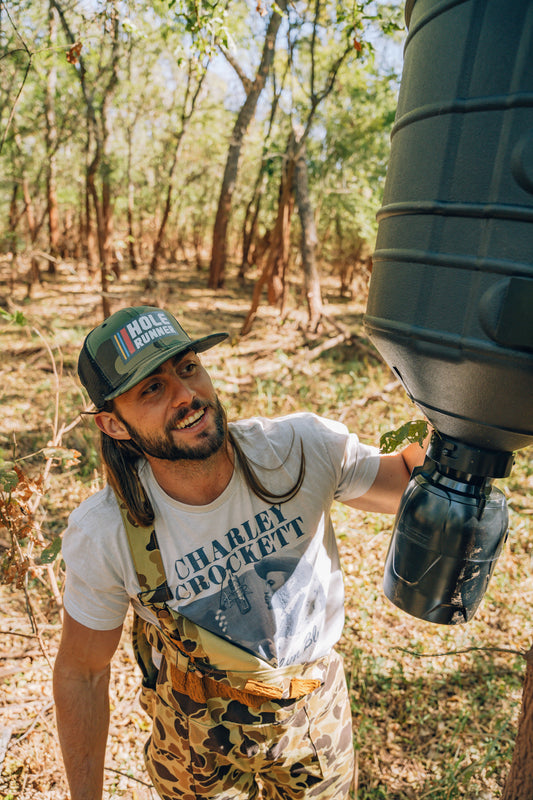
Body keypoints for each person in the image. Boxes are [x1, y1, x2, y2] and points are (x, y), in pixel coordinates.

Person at [53, 305, 429, 800]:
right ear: (115, 425)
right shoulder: (106, 532)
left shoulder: (297, 449)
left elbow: (412, 488)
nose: (187, 396)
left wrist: (456, 411)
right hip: (193, 734)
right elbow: (82, 671)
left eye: (188, 368)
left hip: (314, 714)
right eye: (152, 388)